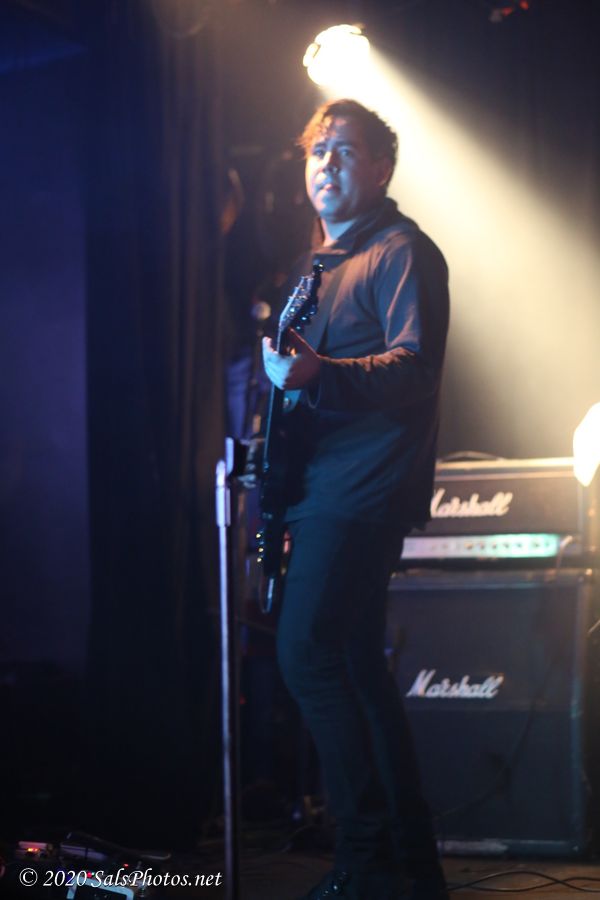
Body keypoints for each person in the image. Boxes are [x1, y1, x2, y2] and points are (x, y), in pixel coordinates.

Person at [261, 99, 450, 900]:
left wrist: (319, 375)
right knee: (354, 667)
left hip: (362, 489)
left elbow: (415, 366)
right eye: (317, 151)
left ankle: (367, 861)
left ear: (380, 168)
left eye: (345, 151)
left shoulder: (402, 251)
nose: (327, 164)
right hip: (320, 488)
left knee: (306, 654)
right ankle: (410, 868)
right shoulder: (319, 267)